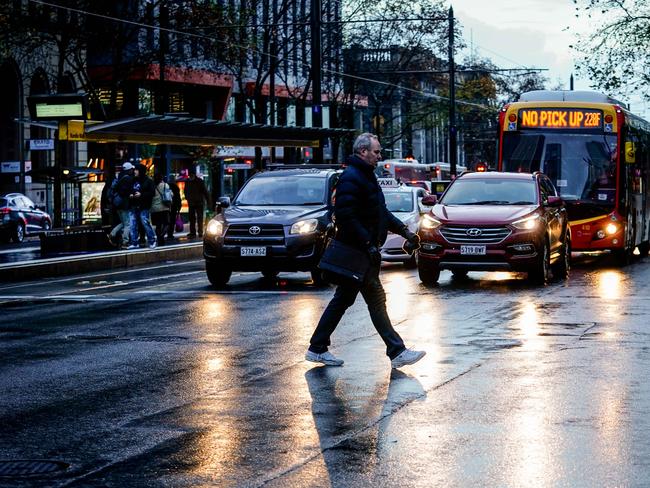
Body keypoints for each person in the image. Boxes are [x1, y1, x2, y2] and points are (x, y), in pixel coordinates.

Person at [305, 133, 425, 369]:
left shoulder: (366, 176)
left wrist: (406, 233)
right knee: (375, 300)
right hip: (357, 253)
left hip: (362, 252)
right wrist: (367, 243)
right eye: (376, 152)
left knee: (344, 299)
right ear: (363, 152)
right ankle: (397, 351)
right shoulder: (352, 177)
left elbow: (381, 212)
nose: (379, 156)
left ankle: (317, 347)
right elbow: (346, 216)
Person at [127, 163, 157, 249]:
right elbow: (128, 190)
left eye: (136, 170)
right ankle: (134, 242)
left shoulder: (148, 181)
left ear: (141, 171)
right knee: (133, 224)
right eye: (135, 170)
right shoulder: (132, 180)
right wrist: (130, 194)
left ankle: (152, 241)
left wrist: (141, 194)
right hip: (133, 205)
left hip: (144, 205)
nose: (135, 171)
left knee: (145, 222)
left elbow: (152, 193)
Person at [108, 162, 135, 247]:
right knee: (127, 224)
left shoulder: (119, 177)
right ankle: (125, 242)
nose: (132, 171)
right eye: (131, 169)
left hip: (118, 204)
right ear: (129, 170)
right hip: (124, 204)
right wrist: (130, 194)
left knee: (124, 222)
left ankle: (112, 234)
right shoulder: (128, 179)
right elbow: (125, 191)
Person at [184, 167, 211, 238]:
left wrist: (208, 201)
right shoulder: (188, 181)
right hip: (192, 202)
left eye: (191, 175)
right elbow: (185, 191)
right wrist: (187, 198)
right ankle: (193, 232)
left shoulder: (199, 181)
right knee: (192, 218)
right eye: (190, 175)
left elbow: (205, 192)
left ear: (193, 174)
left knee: (199, 218)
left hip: (199, 202)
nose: (190, 176)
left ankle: (200, 232)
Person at [150, 173, 172, 245]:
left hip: (154, 209)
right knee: (167, 223)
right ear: (161, 178)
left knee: (158, 225)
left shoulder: (151, 186)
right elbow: (170, 195)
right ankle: (161, 236)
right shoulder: (165, 185)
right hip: (164, 208)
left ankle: (159, 238)